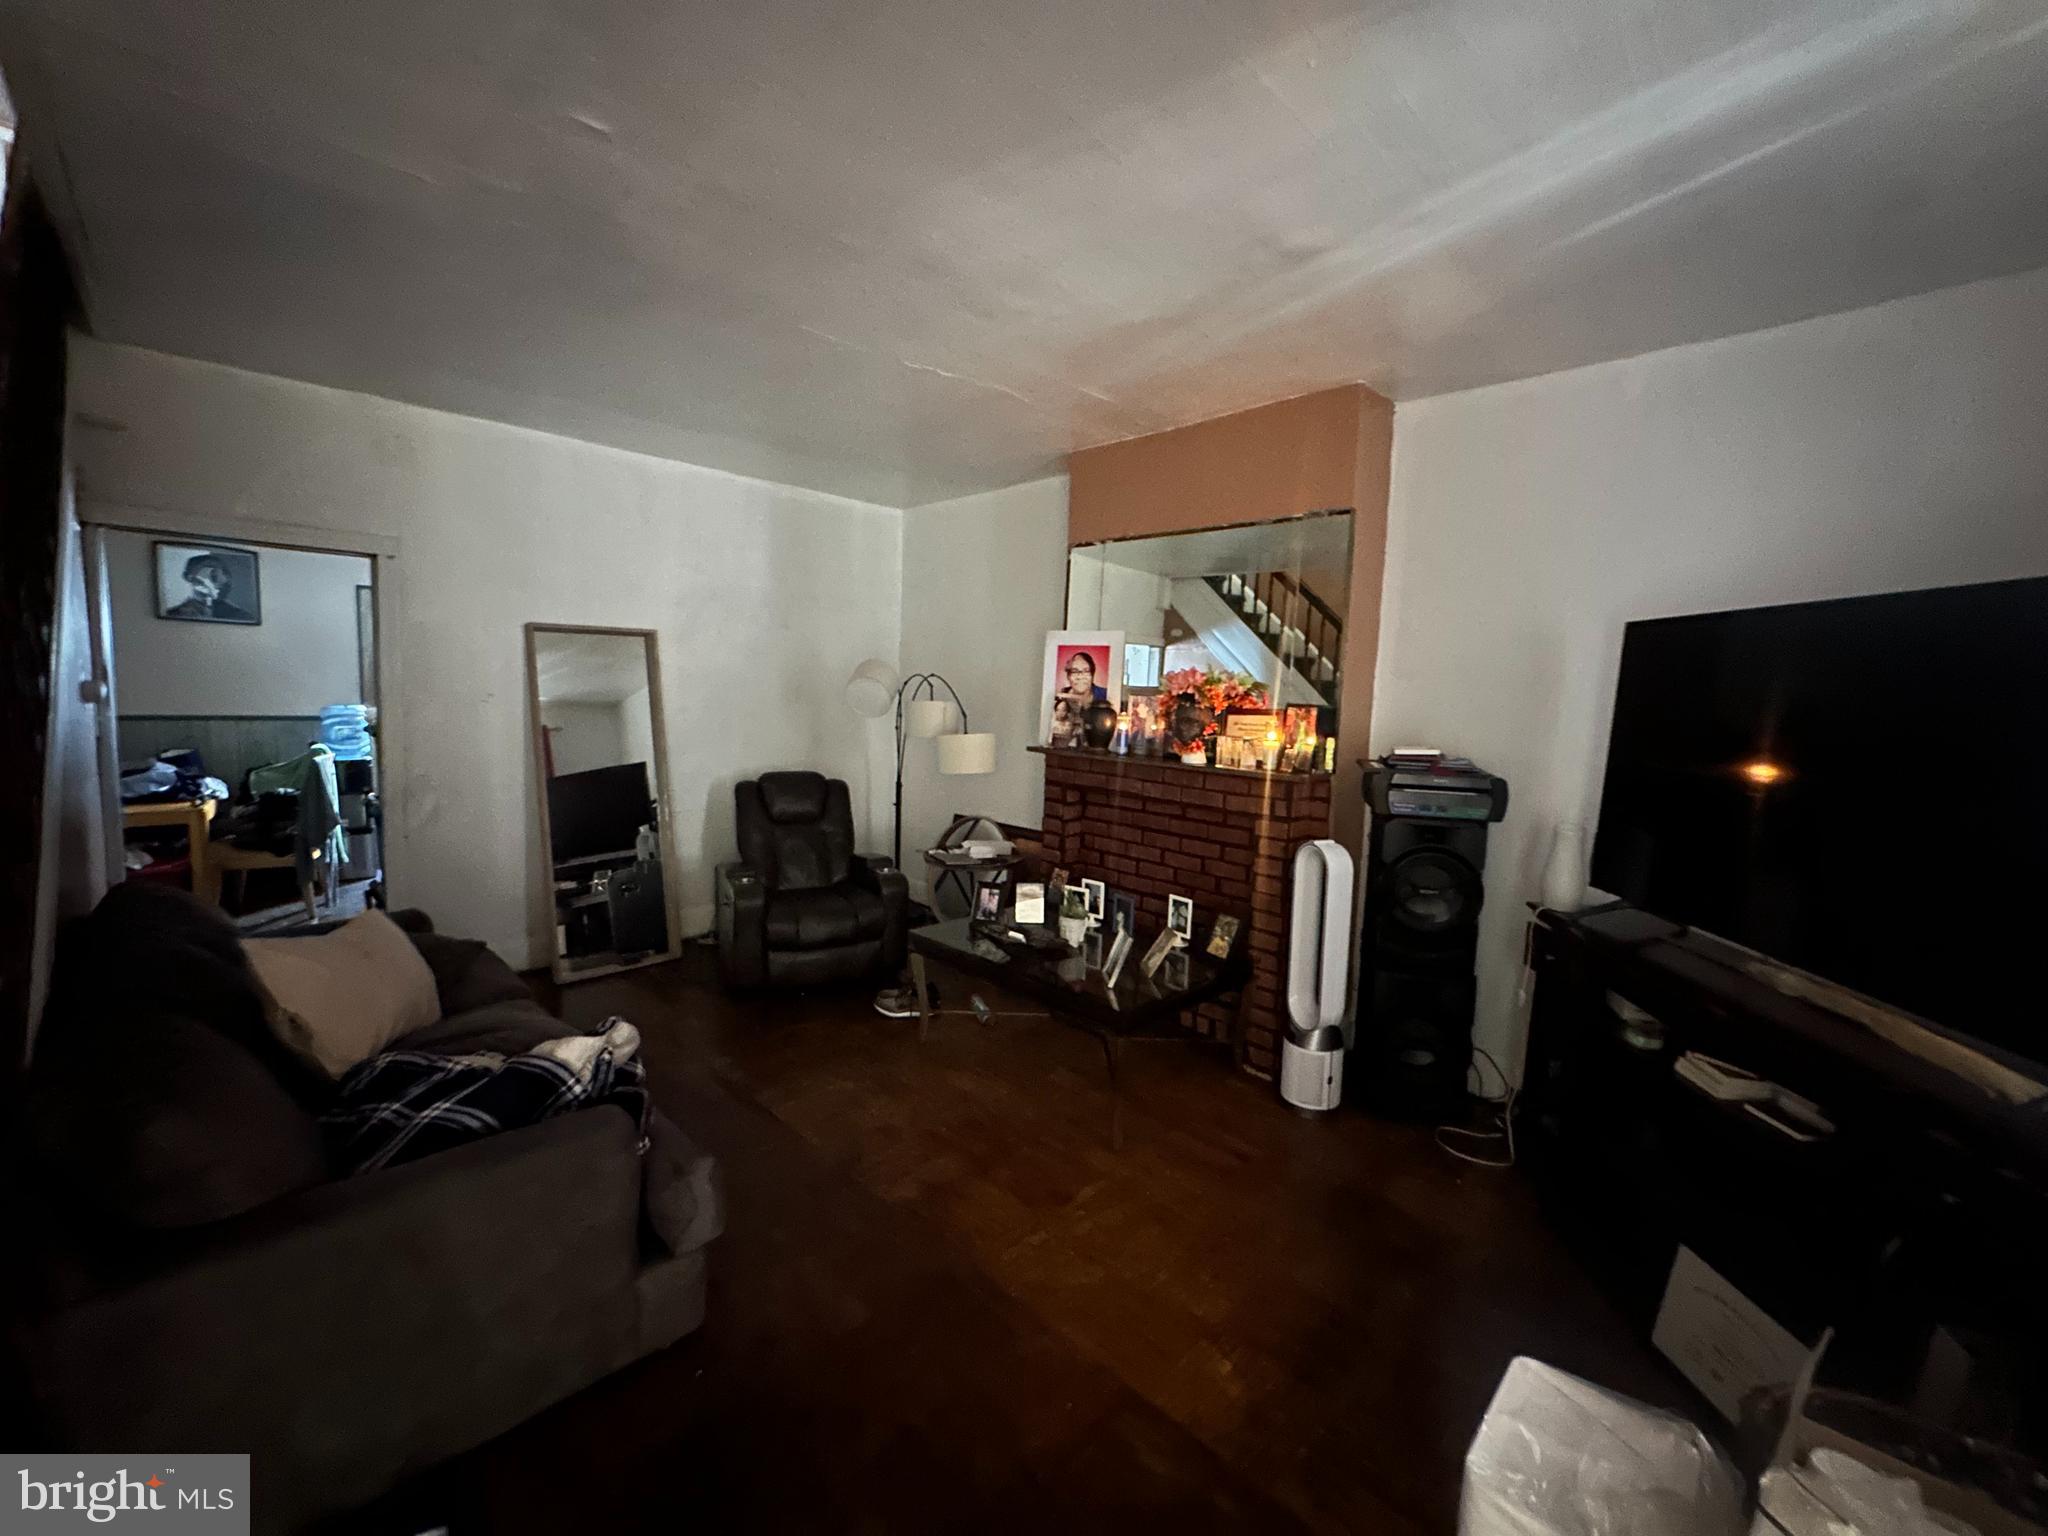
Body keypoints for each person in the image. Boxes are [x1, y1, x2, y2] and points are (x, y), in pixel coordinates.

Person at [166, 552, 255, 622]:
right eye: (205, 569)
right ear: (188, 577)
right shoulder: (174, 614)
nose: (209, 576)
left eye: (215, 573)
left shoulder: (241, 616)